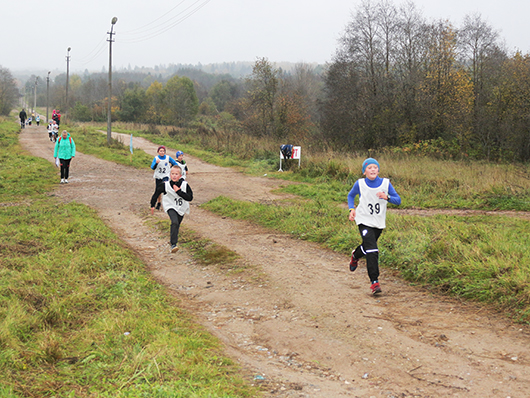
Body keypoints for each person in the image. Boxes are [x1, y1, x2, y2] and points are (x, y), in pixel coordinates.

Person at [347, 158, 401, 295]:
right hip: (363, 220)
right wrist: (351, 209)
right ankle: (374, 282)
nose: (372, 169)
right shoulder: (359, 183)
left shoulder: (385, 183)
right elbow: (351, 195)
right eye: (369, 167)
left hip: (378, 222)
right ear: (364, 171)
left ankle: (355, 255)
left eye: (375, 167)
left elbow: (398, 200)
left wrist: (387, 197)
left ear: (378, 170)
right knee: (372, 250)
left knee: (368, 246)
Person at [150, 165, 193, 253]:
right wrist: (152, 205)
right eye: (172, 174)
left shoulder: (185, 185)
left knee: (177, 225)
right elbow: (156, 193)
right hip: (170, 206)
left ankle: (173, 241)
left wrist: (179, 191)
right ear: (170, 175)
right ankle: (173, 244)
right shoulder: (165, 185)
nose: (174, 176)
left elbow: (190, 198)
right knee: (174, 222)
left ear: (180, 176)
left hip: (181, 207)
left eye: (176, 174)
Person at [151, 146, 178, 210]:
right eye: (160, 151)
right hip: (158, 176)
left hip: (165, 176)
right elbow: (152, 167)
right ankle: (158, 203)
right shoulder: (156, 158)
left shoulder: (168, 158)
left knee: (166, 189)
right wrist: (156, 163)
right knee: (158, 191)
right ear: (158, 152)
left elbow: (175, 163)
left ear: (165, 152)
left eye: (163, 151)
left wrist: (171, 168)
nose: (162, 152)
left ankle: (168, 203)